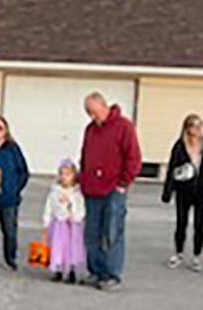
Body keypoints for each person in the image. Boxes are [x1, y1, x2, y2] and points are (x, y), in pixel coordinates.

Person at [79, 92, 141, 291]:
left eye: (95, 112)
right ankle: (96, 271)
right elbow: (85, 155)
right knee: (92, 234)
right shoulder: (90, 130)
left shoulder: (124, 127)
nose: (93, 117)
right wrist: (83, 179)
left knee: (113, 232)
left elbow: (133, 158)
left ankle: (112, 274)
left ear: (104, 107)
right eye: (89, 113)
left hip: (113, 189)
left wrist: (123, 183)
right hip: (91, 190)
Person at [161, 114, 203, 272]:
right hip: (184, 189)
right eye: (194, 126)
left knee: (199, 224)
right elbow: (172, 169)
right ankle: (178, 253)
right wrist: (168, 191)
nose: (198, 129)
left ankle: (197, 256)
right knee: (181, 222)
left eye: (200, 125)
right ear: (187, 129)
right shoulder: (180, 146)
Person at [0, 116, 29, 272]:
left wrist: (15, 188)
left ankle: (10, 258)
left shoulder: (13, 149)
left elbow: (23, 172)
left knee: (9, 230)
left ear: (6, 131)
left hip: (8, 197)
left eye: (0, 128)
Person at [43, 159, 87, 284]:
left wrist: (75, 215)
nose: (64, 177)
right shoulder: (55, 192)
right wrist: (46, 222)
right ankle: (58, 270)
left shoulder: (76, 193)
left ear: (74, 176)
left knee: (72, 248)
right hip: (58, 224)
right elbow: (49, 206)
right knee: (59, 247)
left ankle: (72, 270)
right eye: (62, 174)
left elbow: (81, 207)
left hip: (72, 225)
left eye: (68, 174)